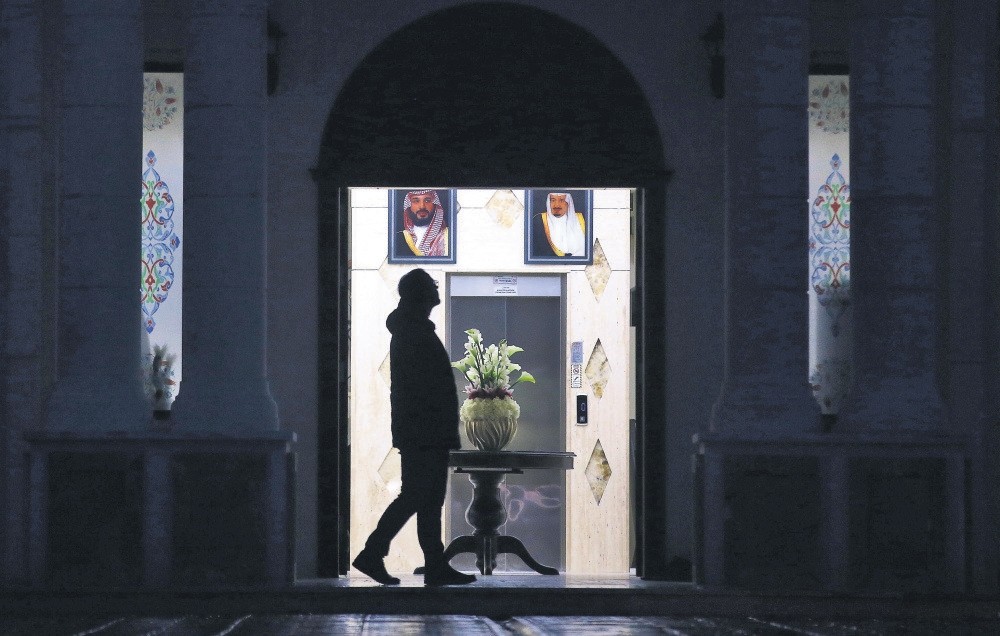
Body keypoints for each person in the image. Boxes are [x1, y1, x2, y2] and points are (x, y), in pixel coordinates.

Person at [352, 268, 476, 586]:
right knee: (417, 495)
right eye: (431, 286)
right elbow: (420, 388)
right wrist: (434, 428)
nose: (436, 289)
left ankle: (434, 563)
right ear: (421, 294)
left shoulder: (413, 329)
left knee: (428, 498)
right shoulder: (413, 332)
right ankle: (373, 553)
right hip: (424, 431)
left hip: (423, 430)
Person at [394, 189, 449, 258]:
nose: (422, 206)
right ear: (409, 206)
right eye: (416, 201)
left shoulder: (450, 235)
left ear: (435, 205)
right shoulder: (397, 238)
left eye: (427, 201)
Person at [530, 192, 586, 258]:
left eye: (561, 200)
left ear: (568, 203)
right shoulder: (537, 221)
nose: (557, 205)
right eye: (553, 200)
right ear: (549, 202)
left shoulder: (582, 219)